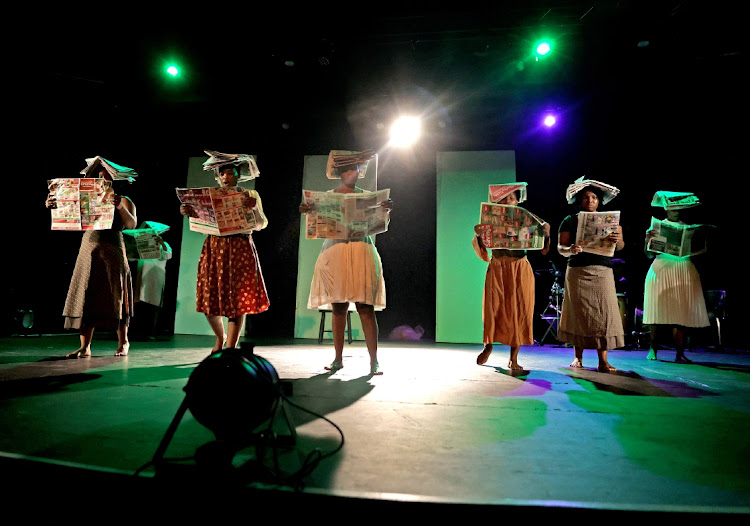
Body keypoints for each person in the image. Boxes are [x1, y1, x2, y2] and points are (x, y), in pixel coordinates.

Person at [299, 149, 392, 376]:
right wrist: (308, 211)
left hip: (361, 250)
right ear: (341, 173)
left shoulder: (366, 195)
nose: (353, 172)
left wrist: (384, 210)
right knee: (338, 306)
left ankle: (374, 360)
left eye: (356, 168)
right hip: (337, 251)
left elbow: (379, 223)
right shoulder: (330, 196)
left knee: (365, 307)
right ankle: (338, 358)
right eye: (349, 169)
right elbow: (319, 223)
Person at [46, 156, 138, 357]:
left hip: (112, 247)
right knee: (85, 293)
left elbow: (131, 225)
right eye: (98, 176)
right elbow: (69, 217)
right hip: (89, 246)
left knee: (116, 293)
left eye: (105, 176)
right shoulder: (86, 197)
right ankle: (85, 346)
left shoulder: (124, 199)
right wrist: (56, 206)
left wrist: (119, 206)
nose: (101, 179)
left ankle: (124, 342)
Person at [179, 151, 269, 353]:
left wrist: (253, 208)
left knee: (236, 301)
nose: (225, 177)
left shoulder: (250, 195)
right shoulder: (210, 196)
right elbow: (202, 227)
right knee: (210, 297)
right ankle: (221, 337)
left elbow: (262, 224)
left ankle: (230, 349)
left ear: (238, 174)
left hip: (240, 246)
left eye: (230, 173)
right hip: (215, 247)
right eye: (222, 174)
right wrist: (189, 214)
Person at [473, 183, 551, 370]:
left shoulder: (528, 219)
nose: (508, 201)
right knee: (493, 309)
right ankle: (488, 346)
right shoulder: (490, 221)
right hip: (498, 266)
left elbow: (544, 250)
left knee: (519, 311)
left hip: (519, 268)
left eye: (512, 198)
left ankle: (513, 358)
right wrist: (479, 236)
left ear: (517, 201)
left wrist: (546, 234)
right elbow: (482, 252)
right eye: (504, 198)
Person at [557, 177, 624, 372]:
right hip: (578, 270)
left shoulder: (609, 221)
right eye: (586, 197)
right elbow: (561, 248)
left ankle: (603, 361)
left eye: (594, 197)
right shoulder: (570, 220)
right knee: (579, 314)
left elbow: (620, 246)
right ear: (580, 200)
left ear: (599, 200)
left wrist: (617, 239)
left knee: (604, 314)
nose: (590, 201)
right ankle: (578, 358)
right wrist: (571, 249)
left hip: (602, 270)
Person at [643, 191, 710, 363]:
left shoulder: (688, 228)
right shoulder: (657, 227)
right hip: (662, 268)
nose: (676, 211)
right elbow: (649, 255)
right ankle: (653, 348)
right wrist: (647, 241)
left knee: (680, 314)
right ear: (666, 209)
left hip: (683, 269)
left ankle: (680, 353)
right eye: (673, 208)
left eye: (679, 208)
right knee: (656, 312)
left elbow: (699, 253)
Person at [125, 221, 172, 340]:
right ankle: (135, 331)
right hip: (142, 276)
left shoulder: (164, 243)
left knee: (154, 304)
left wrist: (161, 243)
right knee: (139, 303)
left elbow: (167, 255)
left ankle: (152, 332)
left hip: (156, 276)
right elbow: (131, 258)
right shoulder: (143, 244)